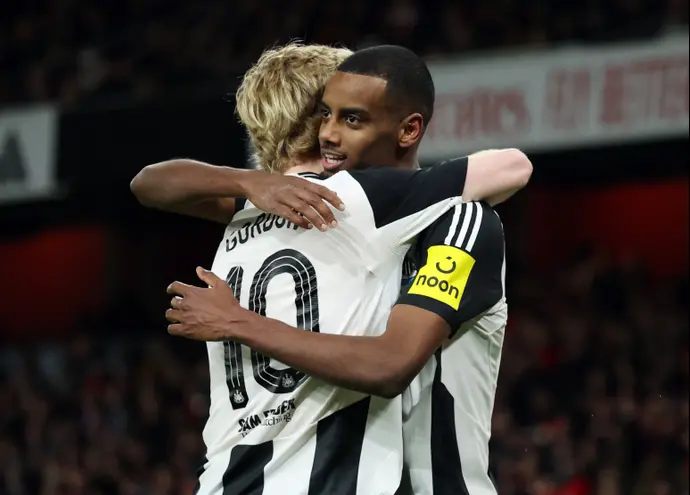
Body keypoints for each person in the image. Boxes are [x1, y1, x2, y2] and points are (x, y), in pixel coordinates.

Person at [134, 43, 530, 494]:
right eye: (328, 112)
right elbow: (513, 166)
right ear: (315, 117)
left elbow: (148, 183)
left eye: (350, 116)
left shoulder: (242, 211)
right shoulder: (365, 201)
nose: (333, 129)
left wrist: (247, 182)